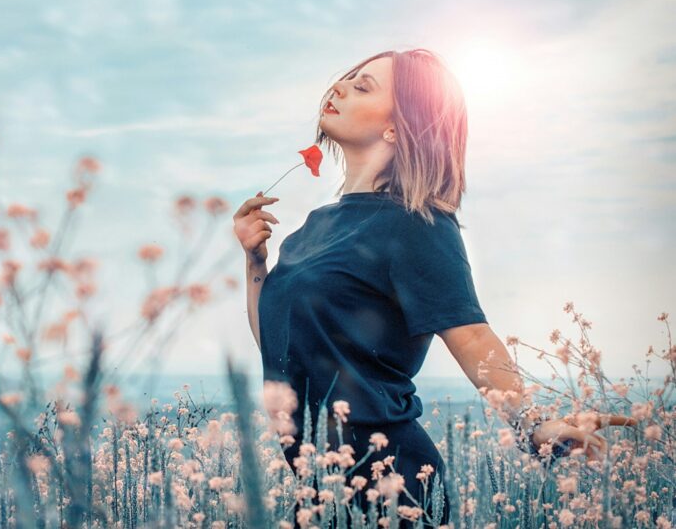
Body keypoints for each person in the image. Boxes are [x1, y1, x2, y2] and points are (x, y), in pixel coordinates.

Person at [232, 49, 636, 528]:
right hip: (316, 485)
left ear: (396, 128)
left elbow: (471, 335)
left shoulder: (418, 222)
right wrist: (255, 263)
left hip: (391, 483)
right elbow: (278, 346)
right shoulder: (314, 228)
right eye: (347, 79)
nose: (338, 87)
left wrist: (532, 423)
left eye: (362, 86)